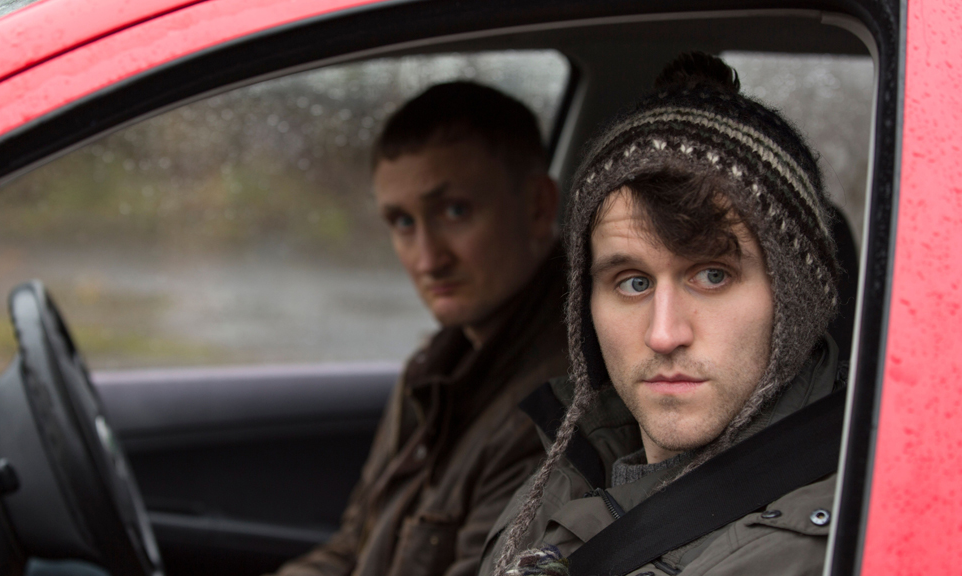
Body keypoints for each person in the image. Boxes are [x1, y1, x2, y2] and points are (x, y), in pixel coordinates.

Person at [477, 53, 847, 576]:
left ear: (796, 298)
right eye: (633, 282)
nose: (664, 334)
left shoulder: (815, 549)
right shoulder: (570, 468)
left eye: (713, 275)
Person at [275, 82, 569, 576]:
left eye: (455, 211)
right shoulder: (431, 369)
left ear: (538, 206)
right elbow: (352, 549)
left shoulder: (556, 407)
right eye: (402, 222)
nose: (428, 260)